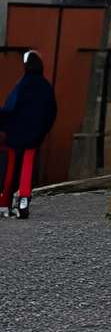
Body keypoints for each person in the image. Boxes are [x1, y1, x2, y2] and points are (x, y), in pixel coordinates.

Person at [1, 50, 57, 218]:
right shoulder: (46, 87)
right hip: (34, 136)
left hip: (15, 136)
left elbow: (10, 108)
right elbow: (51, 112)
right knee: (27, 167)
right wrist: (42, 132)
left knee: (10, 168)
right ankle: (23, 201)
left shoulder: (22, 85)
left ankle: (4, 204)